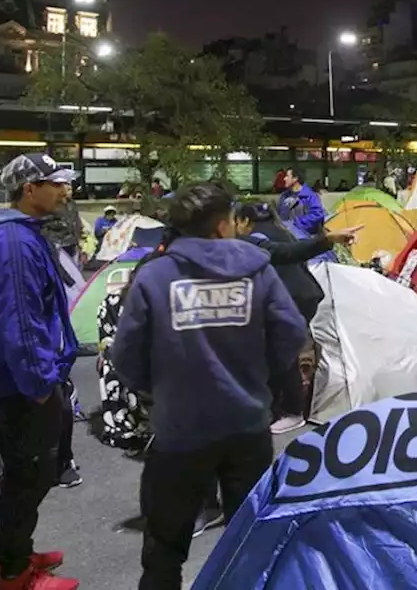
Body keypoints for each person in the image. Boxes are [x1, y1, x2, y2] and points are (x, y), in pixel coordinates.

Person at [111, 183, 309, 590]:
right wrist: (260, 377)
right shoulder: (258, 271)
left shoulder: (154, 276)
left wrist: (157, 390)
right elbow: (291, 332)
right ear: (222, 226)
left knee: (165, 543)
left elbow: (126, 354)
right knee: (248, 540)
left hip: (179, 429)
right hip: (247, 423)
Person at [0, 153, 82, 590]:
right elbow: (21, 322)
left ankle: (13, 554)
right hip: (24, 386)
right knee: (29, 474)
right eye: (55, 183)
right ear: (29, 189)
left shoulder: (16, 235)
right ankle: (15, 573)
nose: (65, 190)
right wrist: (39, 386)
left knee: (26, 474)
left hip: (22, 380)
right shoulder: (13, 244)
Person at [233, 202, 359, 434]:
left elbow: (285, 255)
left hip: (291, 298)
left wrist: (328, 240)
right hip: (304, 294)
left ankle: (291, 410)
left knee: (282, 353)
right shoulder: (280, 230)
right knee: (283, 350)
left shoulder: (250, 241)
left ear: (244, 222)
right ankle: (284, 405)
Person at [276, 167, 326, 236]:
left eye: (287, 176)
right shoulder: (284, 196)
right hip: (285, 238)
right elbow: (278, 215)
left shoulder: (310, 196)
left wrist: (294, 224)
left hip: (304, 239)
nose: (284, 179)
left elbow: (316, 216)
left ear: (295, 178)